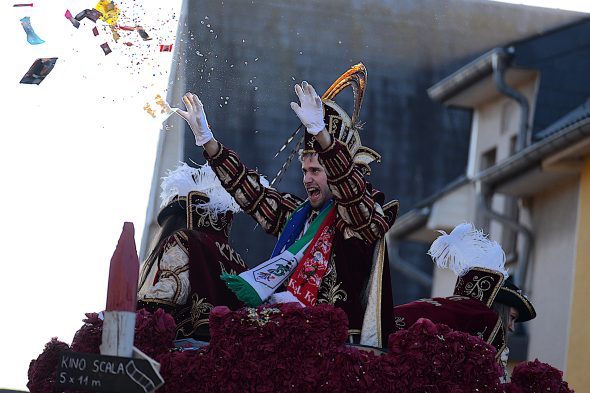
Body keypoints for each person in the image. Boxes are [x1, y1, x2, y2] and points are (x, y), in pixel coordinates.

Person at [176, 64, 399, 347]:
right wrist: (209, 144)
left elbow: (351, 194)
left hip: (338, 352)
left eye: (316, 170)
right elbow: (255, 195)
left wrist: (323, 137)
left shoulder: (360, 217)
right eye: (304, 171)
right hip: (289, 339)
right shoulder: (300, 216)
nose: (307, 179)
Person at [137, 162, 247, 341]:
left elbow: (173, 289)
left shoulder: (184, 238)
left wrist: (129, 306)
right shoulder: (235, 257)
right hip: (230, 347)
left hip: (191, 345)